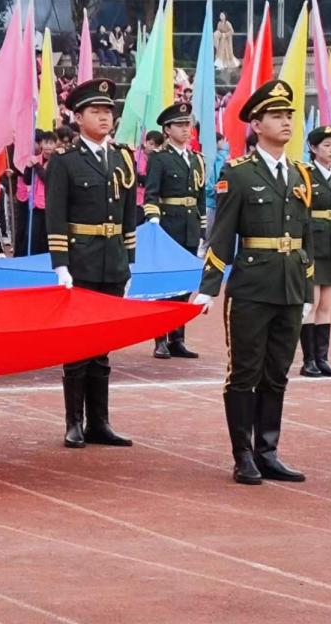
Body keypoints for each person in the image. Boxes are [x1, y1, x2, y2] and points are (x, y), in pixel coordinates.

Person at [195, 79, 313, 486]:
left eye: (289, 115)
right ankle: (243, 454)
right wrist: (208, 287)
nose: (286, 122)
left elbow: (306, 238)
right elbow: (222, 235)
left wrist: (307, 291)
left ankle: (268, 451)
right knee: (244, 372)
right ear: (257, 124)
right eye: (277, 116)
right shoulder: (239, 173)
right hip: (251, 288)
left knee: (277, 373)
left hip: (290, 286)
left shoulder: (300, 174)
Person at [45, 79, 137, 449]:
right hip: (80, 262)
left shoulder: (122, 158)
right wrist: (61, 265)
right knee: (77, 346)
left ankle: (100, 423)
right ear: (78, 117)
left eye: (108, 111)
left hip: (112, 261)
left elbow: (128, 214)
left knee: (103, 346)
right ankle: (74, 423)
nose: (104, 117)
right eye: (96, 111)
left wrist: (129, 262)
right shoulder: (65, 161)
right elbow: (56, 216)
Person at [143, 102, 206, 359]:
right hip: (168, 226)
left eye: (187, 124)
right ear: (167, 130)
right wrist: (154, 221)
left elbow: (200, 196)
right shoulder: (160, 158)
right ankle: (160, 338)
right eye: (179, 125)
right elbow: (151, 194)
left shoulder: (196, 159)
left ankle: (177, 338)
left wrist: (202, 228)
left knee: (184, 285)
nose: (185, 129)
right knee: (165, 286)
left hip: (190, 226)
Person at [297, 127, 331, 378]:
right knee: (312, 303)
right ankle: (308, 361)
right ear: (313, 148)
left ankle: (322, 359)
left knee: (326, 305)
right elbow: (300, 213)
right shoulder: (305, 175)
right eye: (326, 145)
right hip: (313, 245)